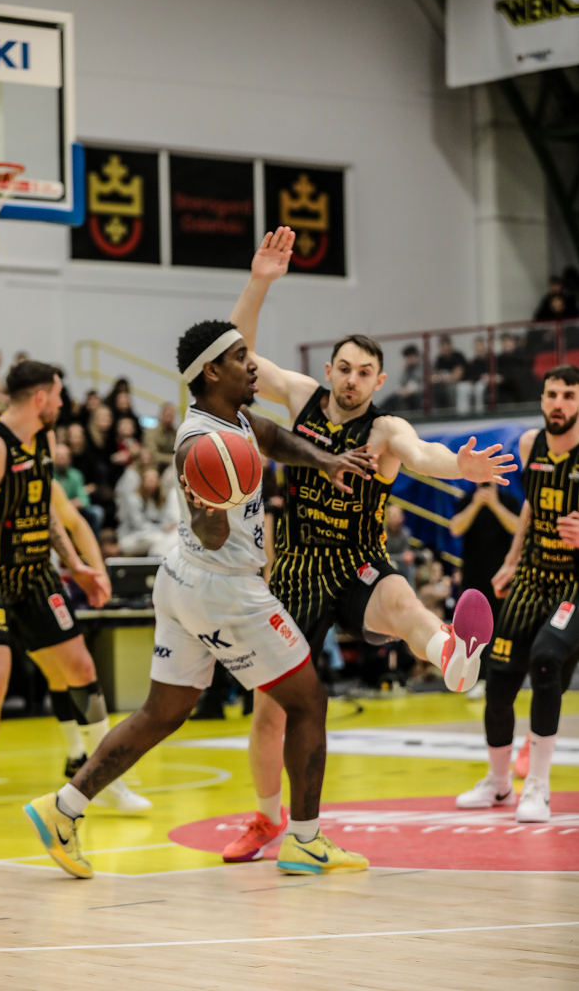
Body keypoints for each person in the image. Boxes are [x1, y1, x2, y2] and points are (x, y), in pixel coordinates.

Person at [23, 319, 377, 879]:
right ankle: (306, 841)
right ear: (211, 371)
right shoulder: (200, 444)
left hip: (183, 581)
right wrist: (210, 512)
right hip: (225, 588)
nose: (252, 364)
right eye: (240, 357)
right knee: (309, 702)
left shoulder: (233, 417)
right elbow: (211, 532)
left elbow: (271, 436)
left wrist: (326, 459)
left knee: (162, 712)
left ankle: (61, 808)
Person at [219, 226, 517, 864]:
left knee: (404, 603)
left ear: (378, 381)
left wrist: (459, 467)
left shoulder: (385, 428)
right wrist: (260, 281)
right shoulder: (301, 397)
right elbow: (236, 357)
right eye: (344, 369)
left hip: (357, 562)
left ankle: (452, 657)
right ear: (329, 371)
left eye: (364, 373)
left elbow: (424, 454)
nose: (351, 380)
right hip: (296, 571)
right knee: (269, 714)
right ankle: (266, 819)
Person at [0, 360, 149, 827]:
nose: (63, 403)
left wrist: (76, 566)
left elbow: (43, 512)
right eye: (59, 395)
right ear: (41, 398)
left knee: (82, 669)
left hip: (35, 574)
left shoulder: (43, 440)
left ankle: (107, 780)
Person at [0, 480, 135, 796]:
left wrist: (97, 570)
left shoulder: (43, 481)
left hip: (32, 588)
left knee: (62, 671)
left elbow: (75, 523)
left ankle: (77, 754)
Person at [456, 365, 579, 822]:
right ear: (542, 399)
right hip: (531, 574)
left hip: (573, 583)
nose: (559, 403)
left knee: (545, 660)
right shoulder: (530, 444)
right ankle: (499, 783)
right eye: (552, 394)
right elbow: (530, 504)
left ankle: (539, 787)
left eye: (569, 395)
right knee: (499, 679)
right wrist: (511, 559)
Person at [450, 481, 521, 698]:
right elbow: (455, 528)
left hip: (501, 577)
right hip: (473, 576)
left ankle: (499, 678)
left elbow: (517, 529)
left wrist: (495, 505)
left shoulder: (509, 501)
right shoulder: (466, 500)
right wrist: (476, 505)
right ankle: (477, 678)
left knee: (502, 628)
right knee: (473, 631)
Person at [117, 465, 179, 557]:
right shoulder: (133, 499)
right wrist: (162, 528)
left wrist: (168, 526)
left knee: (173, 537)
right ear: (142, 481)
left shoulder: (159, 500)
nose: (152, 481)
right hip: (133, 536)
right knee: (161, 540)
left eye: (154, 479)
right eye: (149, 479)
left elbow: (165, 520)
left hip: (154, 533)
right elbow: (139, 525)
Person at [54, 442, 104, 535]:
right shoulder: (49, 475)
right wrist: (66, 504)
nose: (61, 459)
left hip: (74, 511)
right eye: (58, 456)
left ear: (69, 459)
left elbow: (84, 498)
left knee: (97, 512)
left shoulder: (76, 475)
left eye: (64, 456)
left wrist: (80, 502)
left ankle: (90, 542)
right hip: (56, 512)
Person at [381, 345, 423, 413]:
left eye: (409, 357)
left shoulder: (422, 368)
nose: (408, 360)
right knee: (391, 400)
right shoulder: (407, 369)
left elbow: (423, 385)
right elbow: (401, 384)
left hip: (418, 395)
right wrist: (404, 370)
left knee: (410, 399)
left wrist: (409, 391)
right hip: (406, 394)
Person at [384, 504, 415, 587]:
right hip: (385, 563)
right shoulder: (382, 532)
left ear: (402, 517)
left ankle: (409, 590)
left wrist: (408, 556)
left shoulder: (405, 533)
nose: (392, 518)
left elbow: (405, 554)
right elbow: (383, 555)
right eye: (390, 515)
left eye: (394, 515)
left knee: (410, 567)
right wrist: (401, 557)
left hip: (401, 564)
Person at [431, 335, 466, 410]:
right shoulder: (439, 359)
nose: (445, 348)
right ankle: (437, 411)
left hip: (459, 383)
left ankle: (453, 411)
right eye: (442, 345)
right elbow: (436, 376)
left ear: (450, 345)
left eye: (446, 345)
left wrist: (445, 379)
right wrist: (441, 379)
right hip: (443, 384)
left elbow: (457, 376)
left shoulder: (458, 356)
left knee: (451, 388)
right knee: (435, 388)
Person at [456, 337, 489, 415]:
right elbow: (468, 375)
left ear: (484, 346)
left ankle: (480, 412)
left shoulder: (490, 359)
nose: (478, 348)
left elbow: (487, 373)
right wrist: (470, 380)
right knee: (461, 387)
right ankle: (462, 414)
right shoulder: (472, 361)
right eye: (476, 346)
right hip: (473, 382)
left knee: (479, 388)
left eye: (479, 345)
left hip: (483, 382)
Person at [145, 402, 178, 469]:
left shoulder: (176, 433)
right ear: (161, 415)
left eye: (171, 416)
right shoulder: (152, 432)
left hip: (171, 467)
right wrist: (169, 458)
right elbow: (152, 454)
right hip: (154, 466)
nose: (169, 419)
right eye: (167, 415)